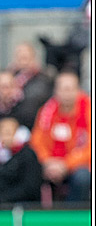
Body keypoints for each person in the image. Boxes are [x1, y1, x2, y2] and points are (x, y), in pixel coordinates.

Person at [29, 72, 91, 203]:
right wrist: (47, 161)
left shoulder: (89, 112)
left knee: (82, 177)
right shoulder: (45, 111)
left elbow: (89, 148)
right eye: (63, 89)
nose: (66, 94)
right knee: (30, 170)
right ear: (55, 91)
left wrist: (65, 164)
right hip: (50, 163)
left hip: (78, 164)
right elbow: (37, 141)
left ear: (78, 90)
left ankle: (72, 212)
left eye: (70, 89)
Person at [0, 117, 42, 210]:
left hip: (18, 206)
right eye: (2, 133)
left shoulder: (27, 154)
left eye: (9, 133)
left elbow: (30, 187)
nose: (5, 137)